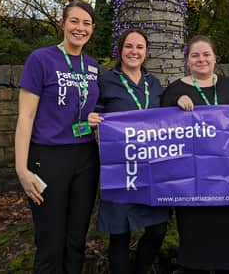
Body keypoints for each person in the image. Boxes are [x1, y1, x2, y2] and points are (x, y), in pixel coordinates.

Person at [14, 0, 102, 274]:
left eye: (86, 23)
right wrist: (21, 168)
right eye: (74, 21)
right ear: (63, 24)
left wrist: (94, 118)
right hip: (49, 157)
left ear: (92, 29)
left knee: (76, 239)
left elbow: (93, 108)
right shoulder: (41, 59)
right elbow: (25, 116)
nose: (80, 28)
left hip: (86, 157)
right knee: (50, 241)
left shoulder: (93, 66)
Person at [161, 35, 229, 274]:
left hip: (228, 181)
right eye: (195, 55)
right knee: (196, 239)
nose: (201, 59)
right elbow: (160, 125)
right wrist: (175, 102)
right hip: (193, 182)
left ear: (214, 58)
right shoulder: (175, 89)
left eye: (206, 54)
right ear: (187, 60)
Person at [88, 29, 169, 274]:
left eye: (140, 47)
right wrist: (88, 119)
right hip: (120, 169)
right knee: (120, 233)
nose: (134, 52)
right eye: (129, 46)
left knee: (158, 229)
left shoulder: (153, 84)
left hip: (151, 169)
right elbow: (85, 114)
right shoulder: (104, 81)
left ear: (146, 52)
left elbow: (168, 120)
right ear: (120, 50)